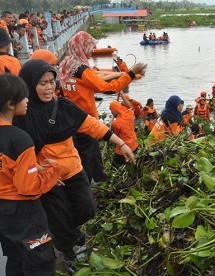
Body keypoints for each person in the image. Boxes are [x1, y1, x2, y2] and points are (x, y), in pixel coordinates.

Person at [15, 60, 136, 273]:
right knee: (59, 217)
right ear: (29, 84)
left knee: (86, 209)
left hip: (74, 170)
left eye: (52, 82)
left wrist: (122, 143)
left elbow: (92, 126)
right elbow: (19, 151)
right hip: (49, 179)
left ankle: (70, 237)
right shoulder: (23, 115)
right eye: (42, 83)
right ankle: (70, 253)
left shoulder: (64, 106)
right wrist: (40, 169)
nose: (49, 87)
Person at [58, 31, 146, 183]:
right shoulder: (81, 69)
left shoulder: (66, 64)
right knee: (86, 157)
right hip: (85, 120)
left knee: (92, 152)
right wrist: (130, 74)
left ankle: (100, 179)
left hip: (69, 118)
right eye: (90, 47)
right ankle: (86, 186)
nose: (92, 51)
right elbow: (107, 89)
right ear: (82, 47)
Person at [0, 74, 62, 276]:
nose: (27, 100)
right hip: (25, 214)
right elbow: (28, 187)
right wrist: (54, 171)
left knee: (15, 259)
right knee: (40, 262)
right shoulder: (20, 139)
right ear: (11, 104)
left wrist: (33, 166)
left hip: (4, 215)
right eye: (24, 97)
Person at [109, 93, 138, 167]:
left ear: (115, 110)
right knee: (134, 163)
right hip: (134, 145)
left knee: (114, 168)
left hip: (122, 149)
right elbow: (130, 106)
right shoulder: (130, 113)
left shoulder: (115, 123)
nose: (111, 112)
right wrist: (121, 95)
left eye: (111, 110)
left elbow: (116, 138)